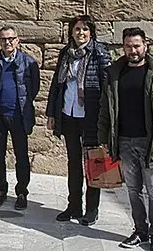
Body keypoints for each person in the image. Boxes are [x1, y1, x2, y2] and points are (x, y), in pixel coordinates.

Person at [98, 28, 153, 251]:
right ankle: (140, 231)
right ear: (123, 47)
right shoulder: (115, 73)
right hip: (125, 141)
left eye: (136, 45)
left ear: (145, 45)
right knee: (133, 190)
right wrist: (104, 137)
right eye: (128, 46)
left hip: (151, 142)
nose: (133, 50)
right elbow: (106, 108)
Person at [46, 14, 111, 226]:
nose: (80, 33)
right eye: (76, 29)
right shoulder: (66, 54)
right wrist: (52, 113)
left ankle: (92, 210)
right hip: (69, 114)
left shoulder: (99, 53)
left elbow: (107, 89)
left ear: (91, 32)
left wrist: (106, 119)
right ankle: (74, 206)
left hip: (90, 117)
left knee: (94, 162)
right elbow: (57, 84)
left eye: (84, 29)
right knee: (74, 163)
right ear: (71, 32)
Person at [0, 25, 40, 210]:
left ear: (17, 40)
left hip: (19, 116)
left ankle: (22, 192)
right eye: (3, 39)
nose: (7, 42)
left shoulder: (28, 62)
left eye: (10, 39)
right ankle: (1, 190)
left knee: (21, 155)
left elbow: (34, 89)